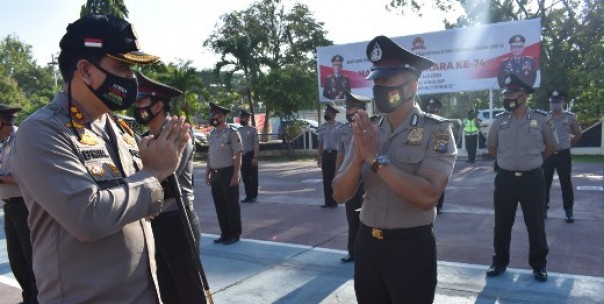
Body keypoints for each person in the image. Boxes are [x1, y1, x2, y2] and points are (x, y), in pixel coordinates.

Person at [11, 15, 191, 303]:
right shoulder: (42, 132)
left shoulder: (120, 129)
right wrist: (154, 172)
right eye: (121, 66)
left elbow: (139, 201)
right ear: (85, 70)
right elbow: (88, 218)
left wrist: (164, 169)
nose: (131, 78)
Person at [332, 35, 456, 303]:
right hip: (368, 244)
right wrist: (358, 159)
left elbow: (428, 196)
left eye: (387, 81)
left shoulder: (436, 131)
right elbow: (339, 194)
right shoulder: (368, 129)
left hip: (410, 248)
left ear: (412, 86)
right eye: (377, 81)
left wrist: (376, 159)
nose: (379, 87)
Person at [133, 71, 205, 303]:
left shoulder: (179, 135)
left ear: (159, 104)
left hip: (178, 219)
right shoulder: (146, 139)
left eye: (142, 101)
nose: (138, 107)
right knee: (165, 288)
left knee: (189, 290)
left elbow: (164, 177)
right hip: (156, 221)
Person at [486, 73, 557, 282]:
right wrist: (508, 161)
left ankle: (539, 265)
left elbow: (551, 146)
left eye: (512, 92)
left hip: (532, 180)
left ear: (524, 95)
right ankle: (499, 262)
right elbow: (492, 148)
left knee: (535, 223)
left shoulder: (541, 119)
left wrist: (532, 161)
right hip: (505, 179)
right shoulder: (499, 120)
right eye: (506, 93)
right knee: (502, 223)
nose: (508, 96)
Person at [0, 104, 38, 304]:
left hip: (24, 205)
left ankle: (38, 299)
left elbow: (27, 176)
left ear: (3, 121)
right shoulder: (6, 143)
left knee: (31, 257)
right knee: (16, 259)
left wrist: (1, 179)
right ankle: (29, 297)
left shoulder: (21, 140)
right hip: (10, 206)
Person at [335, 91, 371, 263]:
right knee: (352, 217)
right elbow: (340, 155)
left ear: (362, 109)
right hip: (350, 180)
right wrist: (338, 177)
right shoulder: (343, 130)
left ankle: (367, 252)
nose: (349, 111)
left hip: (368, 181)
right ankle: (353, 251)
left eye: (353, 107)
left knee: (368, 218)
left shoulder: (374, 128)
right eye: (348, 107)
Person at [206, 102, 243, 245]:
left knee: (231, 205)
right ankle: (225, 233)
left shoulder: (232, 133)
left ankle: (234, 234)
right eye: (212, 114)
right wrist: (207, 173)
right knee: (220, 205)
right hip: (215, 174)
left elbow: (238, 155)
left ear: (222, 116)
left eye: (214, 115)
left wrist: (236, 175)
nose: (212, 117)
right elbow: (210, 155)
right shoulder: (213, 134)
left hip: (228, 172)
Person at [543, 89, 582, 222]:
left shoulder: (570, 117)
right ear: (549, 103)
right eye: (553, 102)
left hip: (563, 155)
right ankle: (543, 210)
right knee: (544, 183)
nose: (555, 104)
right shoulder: (545, 117)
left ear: (563, 102)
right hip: (548, 155)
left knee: (565, 183)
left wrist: (570, 145)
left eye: (557, 101)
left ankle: (569, 211)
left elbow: (578, 134)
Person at [424, 97, 447, 214]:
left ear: (439, 109)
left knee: (439, 184)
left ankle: (438, 206)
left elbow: (449, 142)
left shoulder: (443, 123)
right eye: (430, 107)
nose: (431, 109)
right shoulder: (422, 121)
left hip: (438, 158)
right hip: (423, 159)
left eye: (434, 107)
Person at [318, 103, 342, 208]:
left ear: (334, 115)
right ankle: (327, 202)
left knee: (334, 178)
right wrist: (319, 157)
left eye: (329, 113)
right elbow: (320, 144)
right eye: (326, 112)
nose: (326, 114)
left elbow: (342, 144)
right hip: (326, 155)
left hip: (336, 155)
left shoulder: (340, 127)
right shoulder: (322, 128)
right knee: (326, 179)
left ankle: (334, 201)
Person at [238, 109, 259, 203]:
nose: (240, 119)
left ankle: (253, 196)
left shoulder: (253, 130)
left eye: (242, 117)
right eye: (240, 117)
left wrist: (255, 157)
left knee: (253, 176)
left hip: (251, 155)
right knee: (245, 177)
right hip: (242, 156)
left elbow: (256, 144)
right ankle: (248, 195)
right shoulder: (238, 130)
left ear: (247, 118)